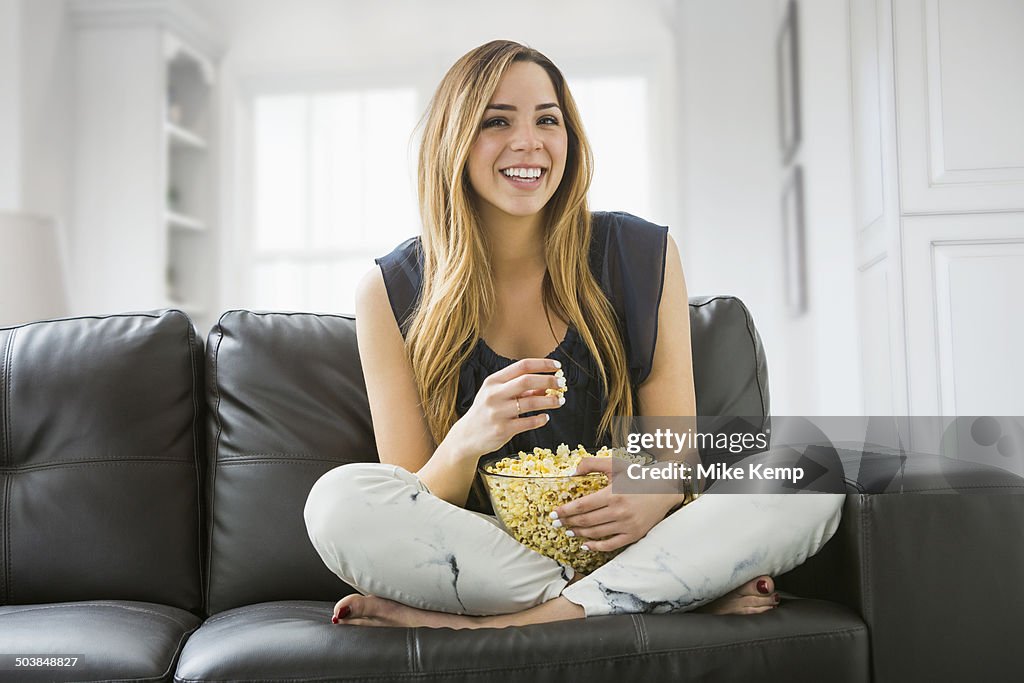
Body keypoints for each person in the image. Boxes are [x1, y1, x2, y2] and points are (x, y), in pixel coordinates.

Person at [304, 39, 843, 629]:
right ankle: (660, 595)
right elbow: (411, 500)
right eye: (497, 121)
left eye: (547, 120)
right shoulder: (388, 290)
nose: (528, 142)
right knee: (338, 504)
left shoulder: (640, 253)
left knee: (810, 460)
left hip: (636, 536)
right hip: (494, 551)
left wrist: (653, 493)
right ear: (452, 141)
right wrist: (467, 440)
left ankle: (498, 627)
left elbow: (674, 449)